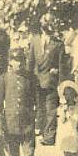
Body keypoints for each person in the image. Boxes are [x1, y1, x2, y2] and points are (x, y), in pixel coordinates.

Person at [0, 49, 39, 156]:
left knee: (29, 153)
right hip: (10, 122)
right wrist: (0, 121)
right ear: (10, 62)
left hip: (27, 123)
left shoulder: (31, 78)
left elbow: (37, 101)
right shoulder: (4, 78)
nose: (18, 63)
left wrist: (36, 119)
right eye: (15, 60)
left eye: (21, 60)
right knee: (13, 155)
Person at [27, 15, 63, 145]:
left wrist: (56, 71)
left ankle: (49, 137)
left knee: (51, 109)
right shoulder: (35, 41)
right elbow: (30, 62)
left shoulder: (57, 43)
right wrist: (28, 78)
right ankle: (41, 130)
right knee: (40, 107)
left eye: (50, 24)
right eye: (45, 24)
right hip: (37, 80)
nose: (48, 27)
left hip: (50, 81)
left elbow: (61, 64)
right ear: (42, 27)